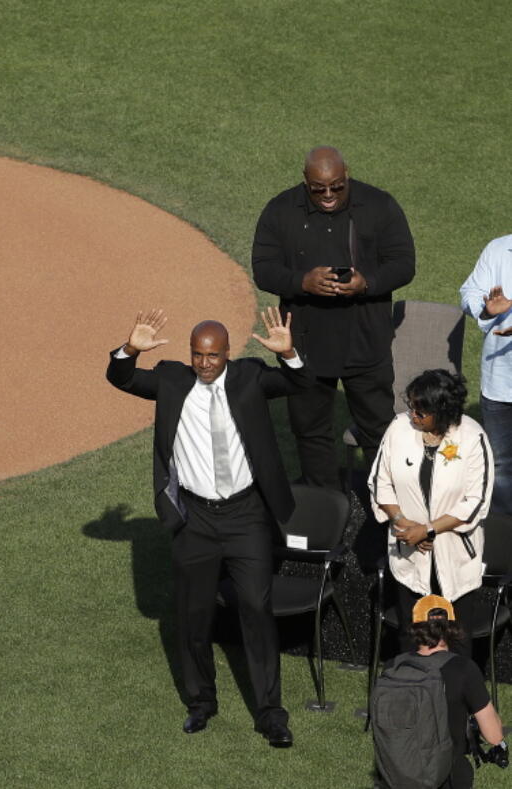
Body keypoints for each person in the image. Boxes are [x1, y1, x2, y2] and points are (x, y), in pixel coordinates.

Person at [106, 306, 309, 747]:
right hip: (194, 519)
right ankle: (201, 703)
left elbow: (299, 383)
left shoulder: (251, 378)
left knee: (256, 608)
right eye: (198, 354)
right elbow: (121, 379)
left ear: (227, 354)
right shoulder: (173, 381)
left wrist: (289, 353)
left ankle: (271, 713)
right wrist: (129, 350)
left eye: (213, 356)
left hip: (246, 516)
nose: (204, 363)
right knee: (193, 615)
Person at [253, 146, 415, 488]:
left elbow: (403, 264)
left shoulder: (379, 205)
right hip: (305, 347)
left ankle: (386, 509)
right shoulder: (280, 211)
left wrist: (366, 282)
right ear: (305, 181)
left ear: (347, 175)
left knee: (378, 431)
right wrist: (303, 282)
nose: (328, 195)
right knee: (310, 433)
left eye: (337, 187)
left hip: (366, 342)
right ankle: (326, 512)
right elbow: (264, 271)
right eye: (318, 188)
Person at [368, 370, 494, 656]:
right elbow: (380, 482)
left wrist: (429, 529)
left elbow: (476, 501)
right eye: (411, 405)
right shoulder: (398, 429)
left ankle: (456, 698)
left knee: (457, 638)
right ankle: (410, 696)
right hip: (409, 549)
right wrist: (403, 523)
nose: (413, 414)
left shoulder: (473, 437)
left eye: (421, 410)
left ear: (443, 411)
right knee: (410, 635)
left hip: (454, 556)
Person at [373, 595, 507, 789]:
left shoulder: (393, 666)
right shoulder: (464, 669)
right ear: (450, 627)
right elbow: (494, 736)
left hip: (395, 776)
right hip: (446, 776)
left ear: (415, 627)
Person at [458, 234, 512, 516]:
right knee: (502, 466)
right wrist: (486, 309)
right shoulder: (499, 248)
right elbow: (469, 292)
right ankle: (504, 544)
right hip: (500, 382)